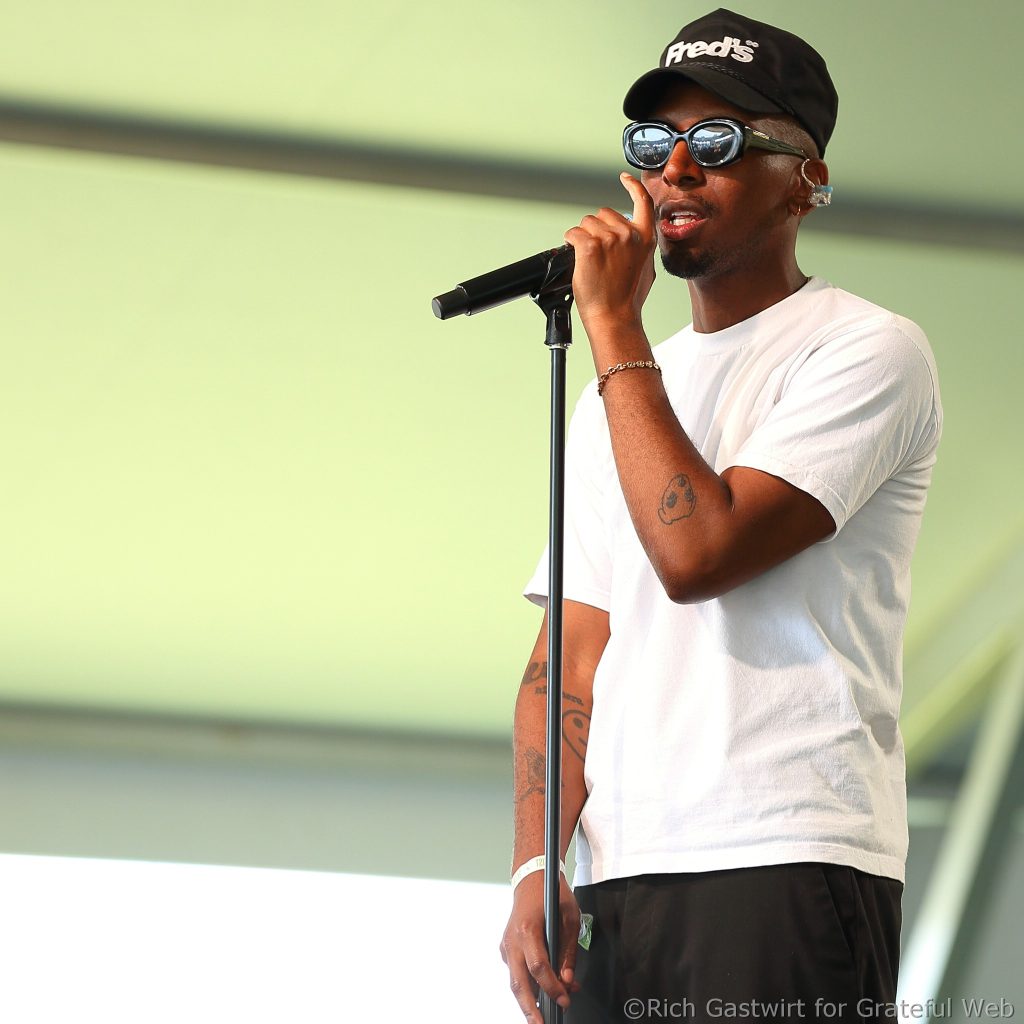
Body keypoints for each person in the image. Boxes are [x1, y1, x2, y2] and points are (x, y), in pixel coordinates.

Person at [498, 8, 942, 1024]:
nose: (676, 170)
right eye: (653, 143)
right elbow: (567, 657)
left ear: (806, 179)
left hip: (783, 853)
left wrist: (613, 321)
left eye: (718, 141)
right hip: (617, 873)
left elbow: (698, 551)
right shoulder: (616, 396)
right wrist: (534, 863)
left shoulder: (866, 349)